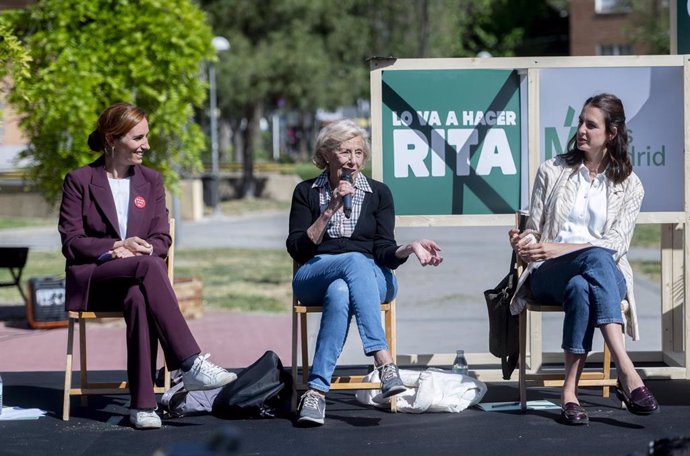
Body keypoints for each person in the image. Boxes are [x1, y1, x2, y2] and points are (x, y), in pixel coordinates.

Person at [58, 102, 236, 429]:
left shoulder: (152, 181)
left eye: (147, 136)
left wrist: (143, 247)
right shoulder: (79, 180)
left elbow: (162, 239)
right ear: (112, 139)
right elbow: (71, 242)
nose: (146, 145)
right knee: (150, 267)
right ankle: (190, 363)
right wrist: (115, 246)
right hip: (94, 281)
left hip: (137, 282)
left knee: (140, 294)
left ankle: (142, 407)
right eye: (139, 137)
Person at [509, 93, 659, 425]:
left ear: (612, 133)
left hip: (604, 269)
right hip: (550, 273)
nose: (581, 130)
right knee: (586, 268)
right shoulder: (552, 170)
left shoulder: (631, 185)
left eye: (591, 125)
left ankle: (569, 394)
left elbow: (615, 245)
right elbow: (534, 228)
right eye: (580, 122)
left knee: (583, 283)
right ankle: (627, 370)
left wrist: (559, 248)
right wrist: (526, 243)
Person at [286, 119, 443, 426]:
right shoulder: (306, 191)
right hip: (315, 272)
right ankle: (384, 362)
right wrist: (330, 208)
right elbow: (298, 250)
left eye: (359, 153)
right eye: (345, 152)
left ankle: (316, 392)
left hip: (371, 276)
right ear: (327, 154)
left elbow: (384, 250)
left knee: (343, 288)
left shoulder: (379, 194)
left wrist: (409, 247)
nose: (353, 160)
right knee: (353, 262)